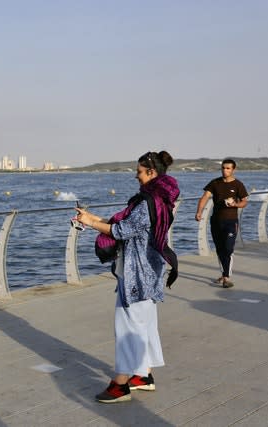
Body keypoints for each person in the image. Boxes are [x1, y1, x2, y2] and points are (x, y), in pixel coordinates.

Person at [75, 151, 180, 403]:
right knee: (144, 323)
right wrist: (92, 218)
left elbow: (123, 230)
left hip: (137, 273)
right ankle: (143, 376)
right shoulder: (161, 199)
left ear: (151, 172)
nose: (136, 175)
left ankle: (120, 384)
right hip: (149, 270)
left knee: (127, 327)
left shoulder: (147, 201)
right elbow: (126, 225)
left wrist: (89, 224)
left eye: (140, 171)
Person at [195, 158, 249, 288]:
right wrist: (199, 212)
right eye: (223, 168)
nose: (225, 170)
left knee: (228, 248)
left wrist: (236, 204)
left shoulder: (238, 184)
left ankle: (226, 277)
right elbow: (205, 197)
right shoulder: (215, 183)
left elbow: (244, 201)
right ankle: (224, 274)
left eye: (228, 168)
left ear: (233, 169)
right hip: (216, 221)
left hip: (231, 221)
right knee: (220, 249)